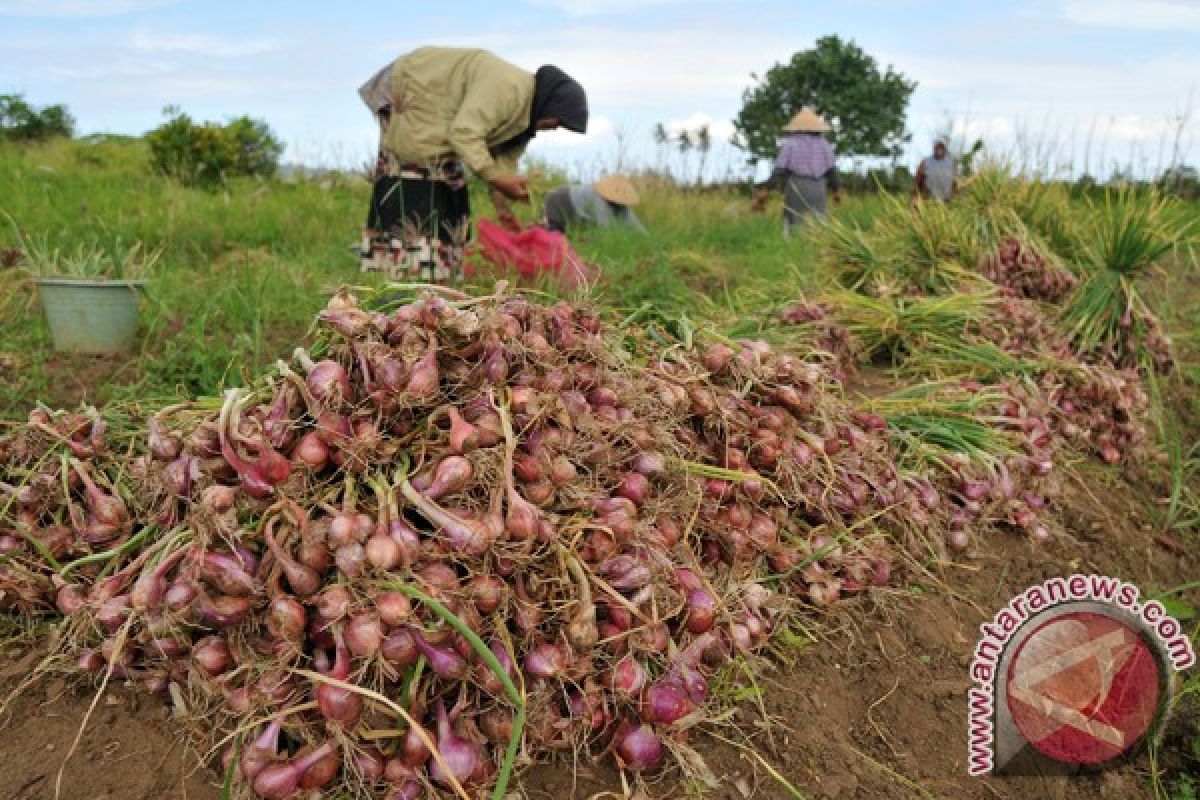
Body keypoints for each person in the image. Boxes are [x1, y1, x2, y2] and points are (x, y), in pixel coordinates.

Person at [358, 47, 588, 282]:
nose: (553, 128)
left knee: (449, 185)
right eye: (557, 122)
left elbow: (502, 167)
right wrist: (495, 178)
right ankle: (404, 276)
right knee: (415, 171)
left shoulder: (524, 122)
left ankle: (439, 275)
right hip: (414, 81)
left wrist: (503, 207)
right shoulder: (507, 88)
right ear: (550, 104)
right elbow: (464, 133)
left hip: (435, 101)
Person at [751, 107, 840, 235]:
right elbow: (832, 171)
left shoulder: (790, 144)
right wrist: (836, 191)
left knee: (794, 221)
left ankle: (793, 247)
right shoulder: (824, 144)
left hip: (797, 187)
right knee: (818, 221)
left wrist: (766, 188)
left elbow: (780, 170)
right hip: (819, 188)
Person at [543, 174, 646, 234]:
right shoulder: (598, 198)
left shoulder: (621, 203)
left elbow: (634, 223)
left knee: (571, 234)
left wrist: (645, 238)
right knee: (555, 232)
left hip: (576, 206)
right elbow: (605, 227)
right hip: (559, 199)